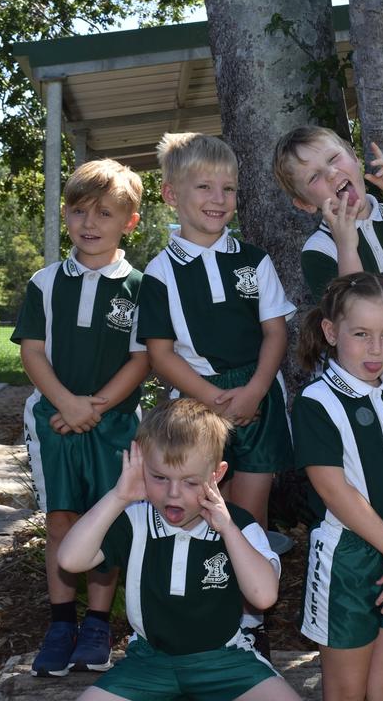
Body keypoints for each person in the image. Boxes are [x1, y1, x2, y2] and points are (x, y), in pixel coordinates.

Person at [58, 399, 300, 701]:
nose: (173, 493)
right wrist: (119, 496)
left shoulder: (236, 524)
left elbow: (264, 596)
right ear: (142, 467)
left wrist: (228, 530)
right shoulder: (135, 520)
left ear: (216, 474)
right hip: (149, 662)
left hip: (224, 659)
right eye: (159, 477)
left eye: (190, 482)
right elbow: (70, 559)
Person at [12, 158, 150, 677]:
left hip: (113, 423)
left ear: (128, 221)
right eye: (79, 212)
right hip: (53, 421)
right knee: (62, 521)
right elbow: (32, 352)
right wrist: (67, 404)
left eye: (105, 213)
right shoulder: (45, 283)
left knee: (105, 520)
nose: (90, 224)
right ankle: (61, 622)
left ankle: (97, 625)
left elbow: (142, 358)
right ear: (65, 216)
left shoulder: (140, 286)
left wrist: (96, 407)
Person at [292, 272, 383, 700]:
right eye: (361, 334)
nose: (376, 348)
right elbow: (335, 492)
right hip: (347, 559)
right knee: (346, 691)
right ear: (331, 331)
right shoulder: (317, 402)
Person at [137, 131, 295, 536]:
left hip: (258, 395)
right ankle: (208, 593)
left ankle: (251, 598)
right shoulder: (159, 273)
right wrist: (212, 399)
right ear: (171, 195)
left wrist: (255, 391)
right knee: (201, 507)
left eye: (228, 188)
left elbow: (275, 333)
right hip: (197, 399)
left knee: (250, 513)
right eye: (204, 187)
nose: (218, 198)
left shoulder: (254, 261)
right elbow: (161, 355)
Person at [274, 125, 383, 392]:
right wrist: (346, 246)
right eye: (314, 177)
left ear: (355, 157)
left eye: (334, 159)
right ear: (306, 204)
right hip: (351, 376)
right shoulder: (319, 249)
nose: (332, 173)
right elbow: (354, 310)